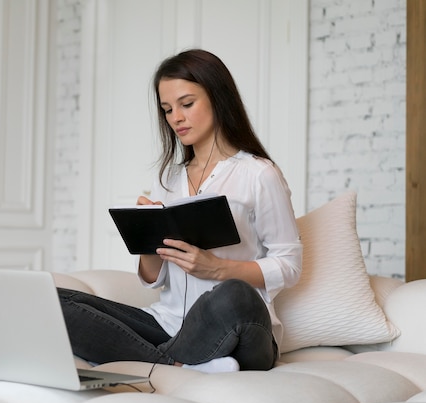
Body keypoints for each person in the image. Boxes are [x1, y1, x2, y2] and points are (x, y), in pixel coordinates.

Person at [58, 49, 302, 373]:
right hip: (169, 324)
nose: (176, 117)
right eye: (167, 109)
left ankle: (152, 358)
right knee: (56, 301)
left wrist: (218, 269)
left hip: (240, 327)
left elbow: (290, 264)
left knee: (234, 294)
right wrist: (147, 236)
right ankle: (176, 363)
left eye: (187, 104)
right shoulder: (170, 179)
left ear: (218, 98)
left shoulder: (259, 174)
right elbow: (152, 280)